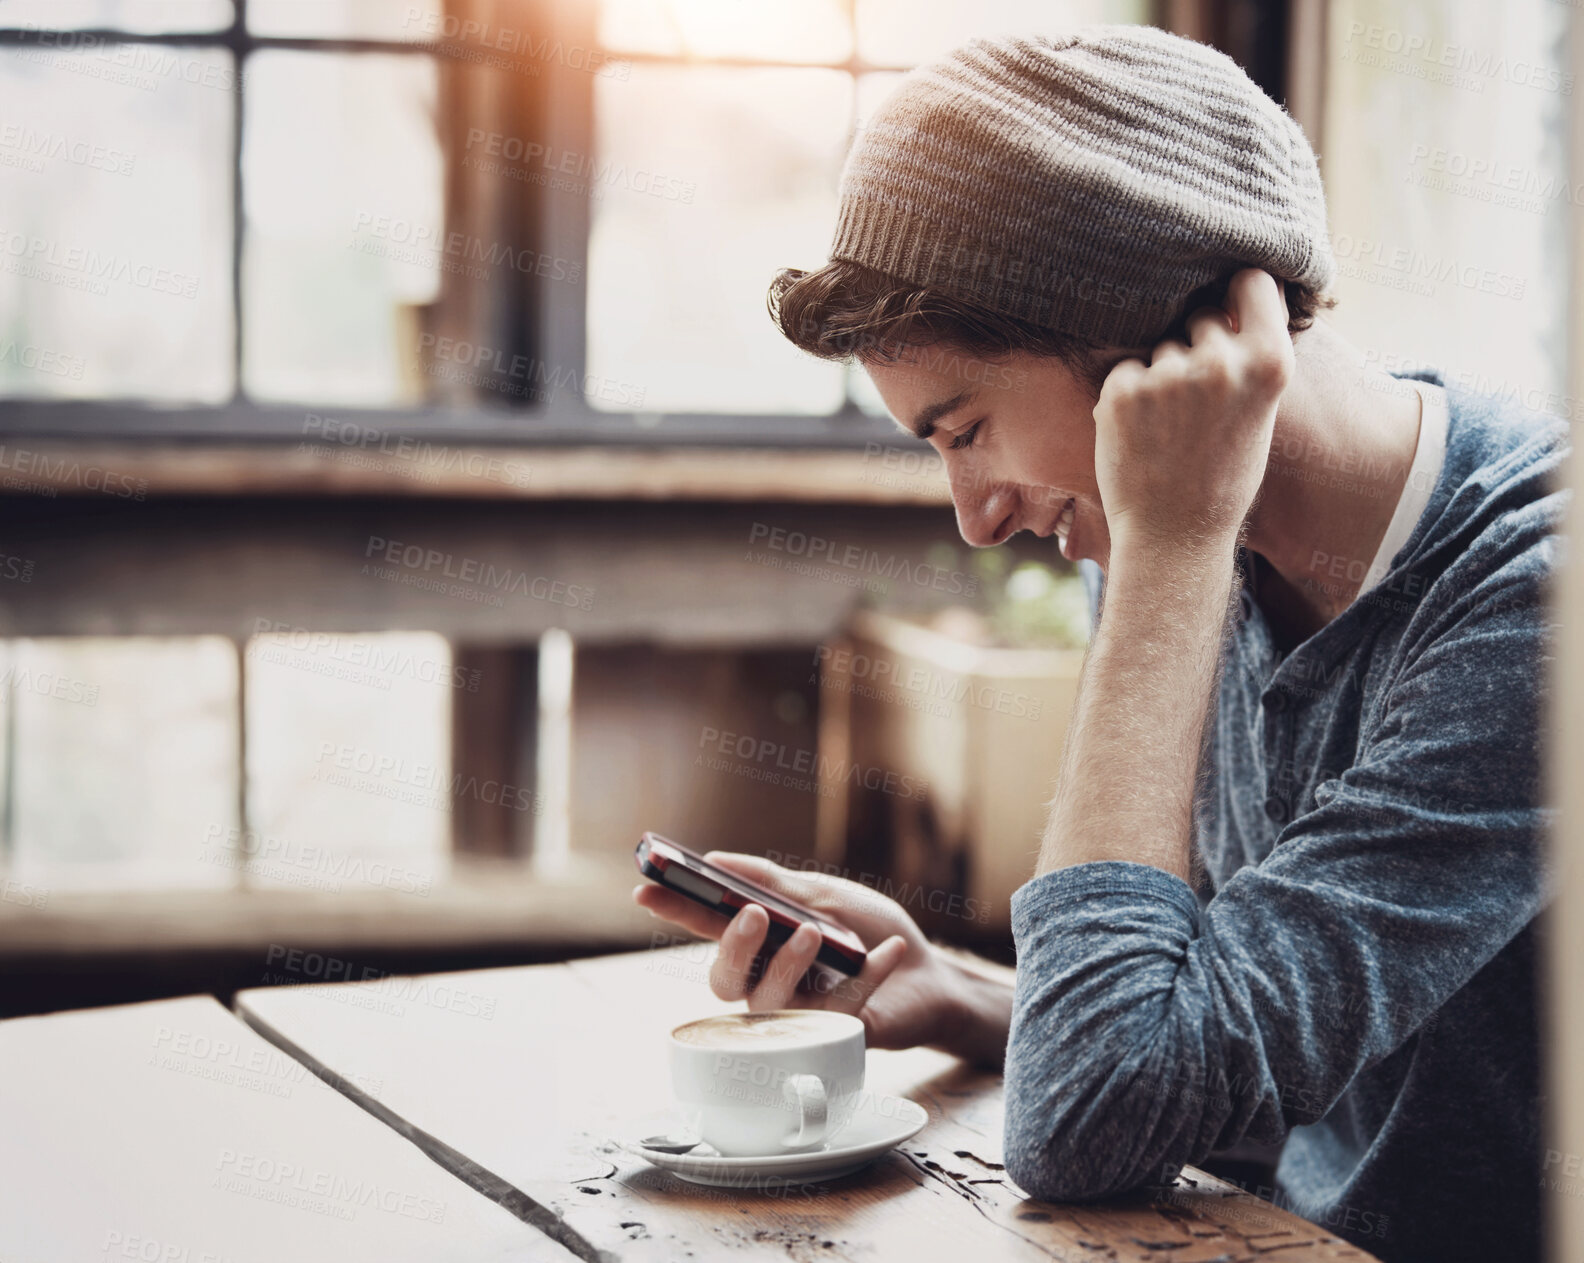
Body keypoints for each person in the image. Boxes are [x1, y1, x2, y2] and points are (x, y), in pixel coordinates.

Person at [635, 25, 1566, 1263]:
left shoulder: (1524, 603)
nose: (977, 517)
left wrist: (1175, 543)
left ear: (1156, 343)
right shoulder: (1175, 550)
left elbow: (1092, 1121)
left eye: (965, 430)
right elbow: (1218, 1061)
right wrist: (970, 1000)